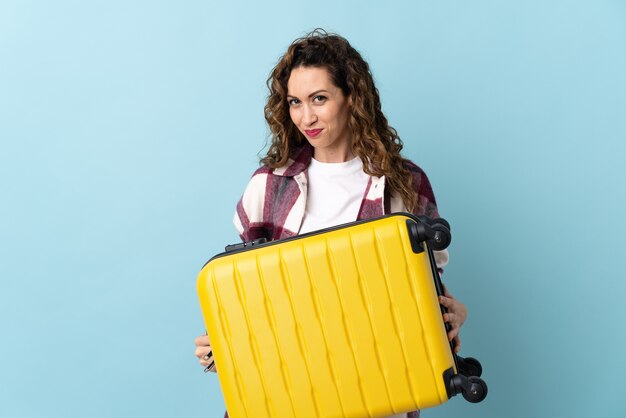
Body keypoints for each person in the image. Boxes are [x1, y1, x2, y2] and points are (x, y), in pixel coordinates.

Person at [194, 29, 468, 418]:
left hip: (378, 397)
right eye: (294, 102)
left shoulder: (405, 184)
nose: (306, 117)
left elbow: (426, 295)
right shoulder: (269, 186)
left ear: (352, 98)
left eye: (319, 99)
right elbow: (248, 300)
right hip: (290, 400)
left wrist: (456, 314)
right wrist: (221, 347)